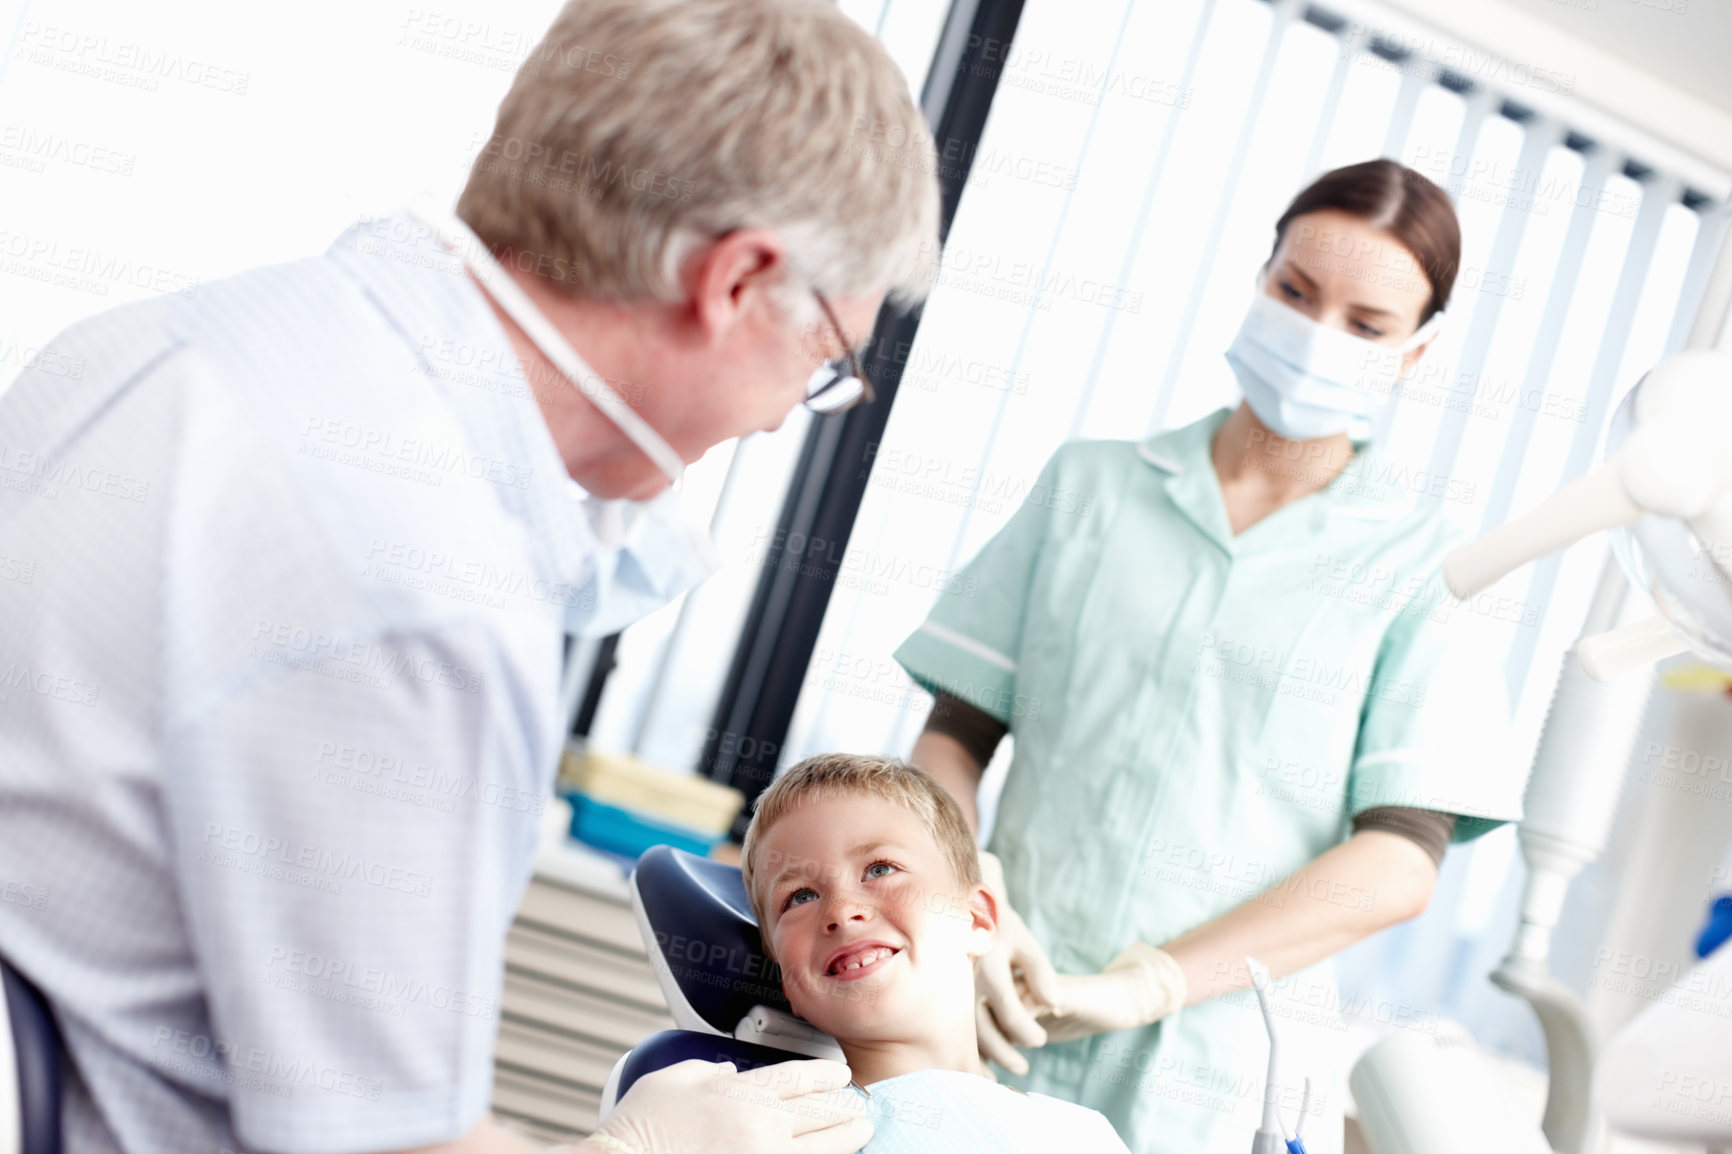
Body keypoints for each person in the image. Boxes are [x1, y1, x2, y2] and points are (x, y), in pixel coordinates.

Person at [0, 1, 938, 1152]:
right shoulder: (424, 591)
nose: (778, 419)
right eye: (821, 364)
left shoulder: (179, 338)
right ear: (737, 282)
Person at [893, 159, 1527, 1151]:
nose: (1318, 335)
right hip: (992, 1005)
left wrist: (1153, 983)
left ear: (1414, 353)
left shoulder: (1418, 564)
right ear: (1260, 277)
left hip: (1213, 1069)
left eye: (1366, 325)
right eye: (1295, 293)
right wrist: (969, 894)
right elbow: (953, 734)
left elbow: (1400, 858)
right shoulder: (1091, 486)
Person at [739, 754, 1132, 1154]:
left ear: (976, 919)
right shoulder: (791, 1138)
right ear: (787, 979)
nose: (841, 910)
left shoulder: (1084, 1132)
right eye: (799, 897)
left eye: (879, 869)